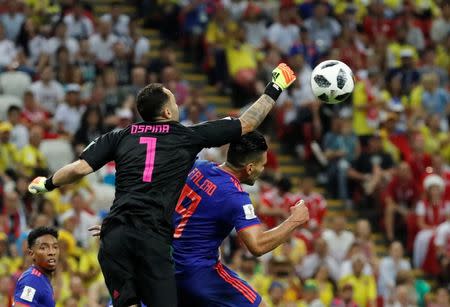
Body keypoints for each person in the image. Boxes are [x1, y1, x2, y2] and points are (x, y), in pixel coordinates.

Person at [27, 63, 296, 307]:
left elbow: (78, 168)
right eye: (174, 100)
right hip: (151, 240)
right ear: (167, 111)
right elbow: (248, 123)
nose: (177, 105)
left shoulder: (119, 136)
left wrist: (47, 184)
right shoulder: (186, 137)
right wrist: (276, 86)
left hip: (114, 236)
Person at [172, 131, 309, 306]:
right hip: (199, 273)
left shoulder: (200, 167)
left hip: (170, 264)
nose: (264, 169)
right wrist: (295, 220)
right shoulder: (235, 196)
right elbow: (257, 245)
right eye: (262, 165)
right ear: (250, 168)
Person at [13, 226, 59, 307]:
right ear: (31, 253)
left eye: (55, 247)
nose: (52, 252)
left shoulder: (42, 279)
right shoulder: (31, 280)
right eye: (43, 248)